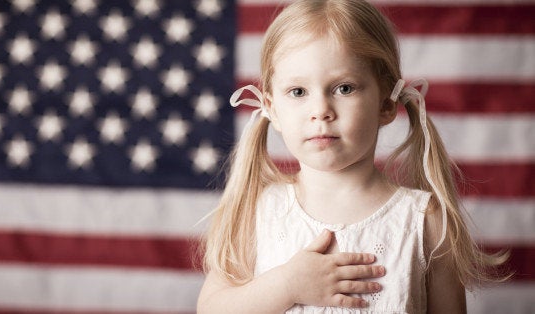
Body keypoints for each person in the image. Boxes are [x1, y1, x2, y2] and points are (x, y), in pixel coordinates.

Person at [197, 0, 508, 313]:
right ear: (272, 107)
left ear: (386, 103)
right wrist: (286, 285)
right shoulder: (258, 212)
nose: (320, 111)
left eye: (344, 88)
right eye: (298, 92)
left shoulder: (426, 224)